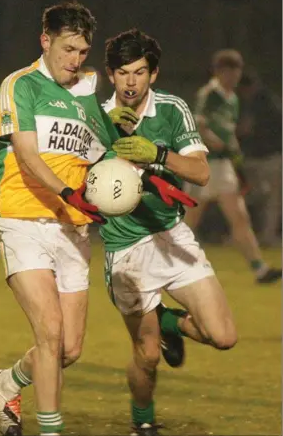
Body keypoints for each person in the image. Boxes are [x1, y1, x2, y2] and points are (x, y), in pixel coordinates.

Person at [0, 4, 196, 436]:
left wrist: (153, 184)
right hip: (22, 218)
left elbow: (109, 158)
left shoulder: (85, 93)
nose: (75, 59)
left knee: (66, 349)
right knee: (49, 331)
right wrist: (67, 192)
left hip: (72, 229)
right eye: (68, 49)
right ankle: (51, 429)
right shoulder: (20, 86)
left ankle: (9, 381)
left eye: (82, 50)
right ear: (46, 42)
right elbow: (26, 155)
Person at [100, 29, 238, 436]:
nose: (130, 82)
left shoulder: (173, 109)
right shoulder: (95, 115)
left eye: (139, 72)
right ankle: (143, 423)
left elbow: (201, 171)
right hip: (126, 247)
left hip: (172, 236)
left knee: (224, 336)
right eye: (123, 72)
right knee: (147, 356)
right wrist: (103, 137)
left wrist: (157, 153)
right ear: (111, 75)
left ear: (153, 75)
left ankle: (169, 322)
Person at [184, 49, 281, 284]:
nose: (233, 76)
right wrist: (210, 139)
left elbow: (229, 132)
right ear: (218, 72)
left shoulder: (232, 98)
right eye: (228, 71)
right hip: (204, 164)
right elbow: (198, 124)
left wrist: (235, 154)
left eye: (236, 71)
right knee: (189, 222)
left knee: (239, 217)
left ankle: (259, 269)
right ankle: (158, 263)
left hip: (223, 165)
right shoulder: (210, 93)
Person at [237, 69, 282, 246]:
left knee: (265, 199)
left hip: (264, 157)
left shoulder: (262, 103)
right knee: (263, 199)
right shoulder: (269, 101)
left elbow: (246, 128)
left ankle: (263, 236)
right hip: (261, 158)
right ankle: (261, 236)